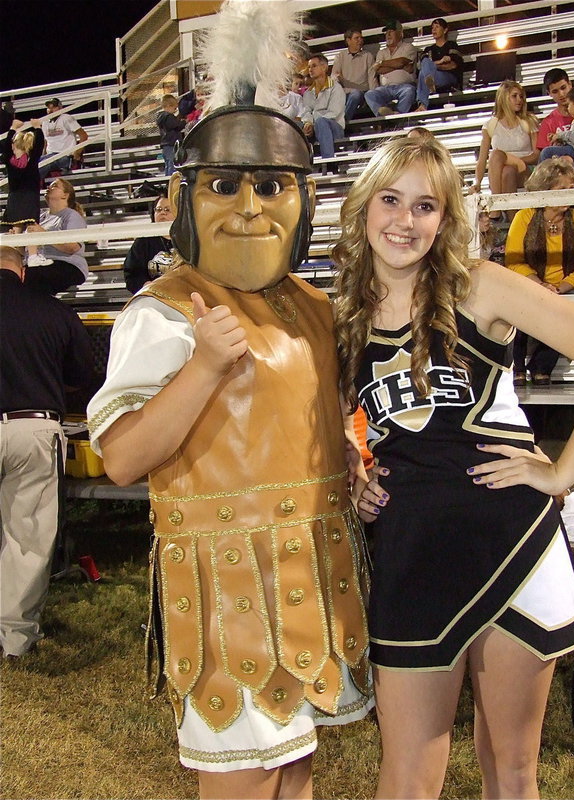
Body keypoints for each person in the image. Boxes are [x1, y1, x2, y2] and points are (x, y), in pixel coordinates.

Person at [87, 1, 372, 795]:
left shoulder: (314, 308)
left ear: (302, 199)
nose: (249, 206)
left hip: (317, 565)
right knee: (243, 776)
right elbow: (122, 458)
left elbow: (325, 416)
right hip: (225, 581)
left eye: (272, 185)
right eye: (224, 184)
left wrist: (354, 456)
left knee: (300, 767)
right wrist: (205, 368)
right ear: (187, 198)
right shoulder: (163, 311)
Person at [331, 135, 574, 799]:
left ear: (445, 218)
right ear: (364, 206)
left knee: (511, 767)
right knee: (409, 772)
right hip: (411, 546)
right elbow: (332, 421)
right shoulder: (343, 318)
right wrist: (354, 471)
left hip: (511, 543)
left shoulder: (480, 286)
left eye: (425, 206)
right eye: (391, 199)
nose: (404, 220)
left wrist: (560, 475)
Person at [0, 245, 93, 660]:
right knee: (27, 537)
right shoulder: (53, 311)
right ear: (22, 271)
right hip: (33, 424)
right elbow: (84, 376)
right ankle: (15, 638)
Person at [505, 159, 574, 386]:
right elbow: (514, 261)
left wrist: (559, 288)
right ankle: (515, 365)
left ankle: (541, 367)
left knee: (573, 303)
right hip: (529, 283)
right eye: (561, 189)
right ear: (545, 190)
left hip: (564, 288)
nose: (568, 194)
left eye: (571, 189)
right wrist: (539, 285)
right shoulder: (524, 217)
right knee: (514, 299)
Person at [471, 80, 539, 215]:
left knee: (497, 155)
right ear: (503, 98)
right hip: (502, 172)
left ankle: (495, 207)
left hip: (525, 169)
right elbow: (482, 159)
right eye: (514, 96)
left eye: (521, 96)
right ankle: (511, 221)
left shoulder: (529, 121)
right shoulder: (490, 125)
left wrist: (514, 159)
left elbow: (536, 154)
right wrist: (476, 182)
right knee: (506, 169)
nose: (519, 100)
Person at [24, 178, 88, 294]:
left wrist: (43, 234)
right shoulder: (40, 216)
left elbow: (72, 247)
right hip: (37, 263)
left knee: (32, 276)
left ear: (65, 195)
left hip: (67, 264)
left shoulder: (71, 216)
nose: (49, 187)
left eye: (54, 186)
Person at [1, 119, 46, 246]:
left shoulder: (10, 161)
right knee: (29, 226)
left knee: (18, 228)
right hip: (27, 196)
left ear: (14, 144)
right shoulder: (30, 161)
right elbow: (39, 146)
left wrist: (13, 128)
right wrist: (37, 128)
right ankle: (31, 255)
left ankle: (21, 255)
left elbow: (5, 148)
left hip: (17, 196)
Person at [122, 193, 175, 294]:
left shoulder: (189, 240)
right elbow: (132, 273)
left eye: (168, 210)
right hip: (151, 295)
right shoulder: (143, 241)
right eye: (158, 209)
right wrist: (146, 285)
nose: (163, 213)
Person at [365, 21, 417, 117]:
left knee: (409, 91)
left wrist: (381, 63)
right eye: (386, 32)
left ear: (400, 34)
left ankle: (397, 117)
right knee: (369, 94)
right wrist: (400, 65)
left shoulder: (408, 47)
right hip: (385, 88)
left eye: (391, 31)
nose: (388, 34)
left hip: (404, 86)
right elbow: (379, 70)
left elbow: (401, 61)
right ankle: (385, 115)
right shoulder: (381, 52)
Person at [301, 53, 345, 160]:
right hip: (317, 127)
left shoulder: (336, 88)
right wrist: (308, 123)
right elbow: (306, 111)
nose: (310, 69)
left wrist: (314, 123)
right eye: (309, 67)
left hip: (334, 128)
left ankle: (328, 161)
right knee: (297, 126)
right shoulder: (308, 92)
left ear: (324, 67)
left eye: (314, 66)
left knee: (321, 122)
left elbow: (334, 113)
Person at [415, 18, 464, 112]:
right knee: (423, 67)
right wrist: (440, 61)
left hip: (449, 78)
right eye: (432, 27)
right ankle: (429, 82)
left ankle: (423, 103)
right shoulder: (428, 49)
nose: (434, 30)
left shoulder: (451, 45)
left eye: (437, 27)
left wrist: (432, 66)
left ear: (445, 30)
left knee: (424, 71)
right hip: (433, 76)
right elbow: (421, 65)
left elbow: (453, 65)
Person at [331, 28, 377, 122]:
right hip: (344, 94)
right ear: (348, 41)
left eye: (361, 38)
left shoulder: (368, 56)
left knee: (356, 94)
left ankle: (343, 122)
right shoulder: (340, 56)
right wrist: (337, 77)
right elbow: (334, 76)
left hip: (361, 94)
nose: (360, 40)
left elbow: (372, 78)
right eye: (356, 38)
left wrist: (374, 95)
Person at [39, 98, 88, 180]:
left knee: (43, 164)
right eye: (49, 107)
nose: (51, 110)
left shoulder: (66, 118)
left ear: (60, 108)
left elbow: (83, 136)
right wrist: (43, 155)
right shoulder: (45, 122)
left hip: (65, 155)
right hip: (50, 156)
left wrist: (77, 153)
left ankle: (30, 186)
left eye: (54, 107)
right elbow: (45, 142)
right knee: (34, 162)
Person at [156, 94, 186, 177]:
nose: (175, 110)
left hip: (166, 145)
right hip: (171, 143)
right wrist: (184, 122)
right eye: (175, 108)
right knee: (172, 163)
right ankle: (171, 179)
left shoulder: (161, 117)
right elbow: (175, 126)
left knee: (168, 163)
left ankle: (169, 178)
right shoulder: (168, 117)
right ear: (169, 106)